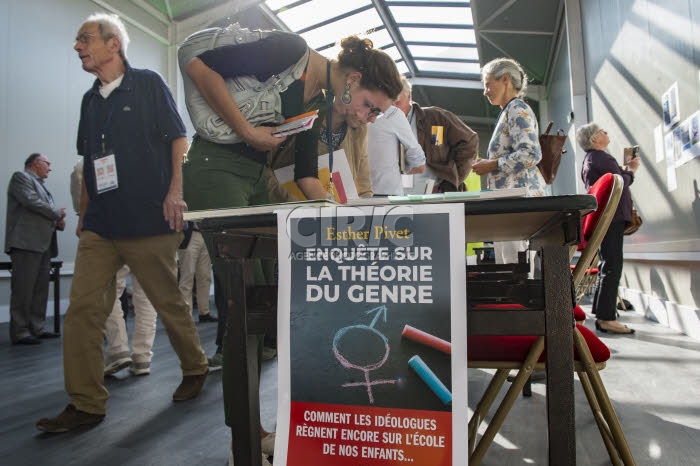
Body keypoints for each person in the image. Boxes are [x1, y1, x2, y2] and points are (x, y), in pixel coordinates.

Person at [178, 24, 403, 461]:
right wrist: (245, 129)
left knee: (267, 318)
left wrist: (347, 223)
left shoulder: (319, 103)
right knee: (244, 307)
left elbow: (305, 177)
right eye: (370, 107)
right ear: (354, 80)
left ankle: (256, 428)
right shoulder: (290, 50)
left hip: (253, 177)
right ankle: (243, 439)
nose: (367, 117)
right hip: (214, 166)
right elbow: (197, 66)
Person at [36, 13, 208, 434]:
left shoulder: (148, 83)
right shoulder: (90, 101)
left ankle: (195, 366)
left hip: (148, 217)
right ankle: (87, 402)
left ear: (113, 45)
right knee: (81, 312)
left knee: (167, 301)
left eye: (85, 38)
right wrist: (83, 213)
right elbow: (91, 161)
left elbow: (177, 139)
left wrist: (174, 194)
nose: (78, 46)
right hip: (101, 224)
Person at [71, 159, 159, 376]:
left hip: (107, 232)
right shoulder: (149, 159)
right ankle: (142, 356)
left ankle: (118, 349)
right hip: (149, 232)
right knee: (146, 295)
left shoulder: (86, 164)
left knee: (108, 292)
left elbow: (79, 203)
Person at [473, 57, 546, 265]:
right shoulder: (509, 111)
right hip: (511, 202)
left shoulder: (516, 109)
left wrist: (493, 164)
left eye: (488, 84)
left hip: (518, 202)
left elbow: (531, 153)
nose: (485, 91)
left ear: (505, 79)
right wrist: (490, 162)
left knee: (514, 265)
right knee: (510, 263)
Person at [577, 122, 640, 334]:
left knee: (609, 263)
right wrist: (630, 171)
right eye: (602, 131)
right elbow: (619, 182)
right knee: (613, 265)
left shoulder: (591, 160)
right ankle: (606, 318)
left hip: (605, 217)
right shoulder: (601, 158)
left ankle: (603, 311)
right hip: (610, 217)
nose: (606, 133)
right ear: (594, 138)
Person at [5, 153, 66, 345]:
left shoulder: (42, 186)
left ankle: (36, 327)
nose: (50, 168)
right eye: (47, 163)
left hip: (43, 244)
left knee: (40, 289)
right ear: (35, 163)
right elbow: (31, 202)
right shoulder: (21, 177)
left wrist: (57, 223)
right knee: (23, 289)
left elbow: (40, 211)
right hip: (26, 244)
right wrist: (57, 214)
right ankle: (20, 331)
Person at [397, 80, 479, 194]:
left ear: (409, 96)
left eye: (397, 102)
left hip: (436, 192)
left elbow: (469, 141)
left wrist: (454, 178)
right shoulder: (380, 123)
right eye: (388, 102)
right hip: (399, 196)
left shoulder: (435, 117)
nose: (392, 107)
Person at [367, 77, 426, 195]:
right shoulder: (393, 113)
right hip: (388, 194)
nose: (394, 105)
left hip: (357, 193)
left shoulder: (355, 111)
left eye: (397, 101)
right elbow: (419, 165)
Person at [177, 226, 216, 323]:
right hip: (189, 234)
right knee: (187, 278)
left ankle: (204, 313)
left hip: (205, 233)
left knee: (205, 277)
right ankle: (186, 316)